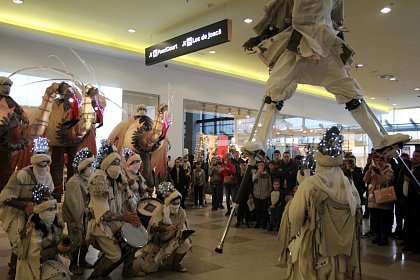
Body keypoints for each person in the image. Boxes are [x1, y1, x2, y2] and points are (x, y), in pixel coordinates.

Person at [242, 0, 409, 156]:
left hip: (325, 44)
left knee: (349, 89)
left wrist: (341, 49)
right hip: (297, 44)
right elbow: (279, 17)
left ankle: (378, 139)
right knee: (276, 88)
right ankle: (261, 142)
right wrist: (260, 38)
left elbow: (336, 21)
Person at [278, 126, 360, 279]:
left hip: (315, 246)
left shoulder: (311, 184)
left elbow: (295, 216)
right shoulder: (348, 183)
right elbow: (356, 210)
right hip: (342, 249)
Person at [86, 141, 144, 279]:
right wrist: (124, 218)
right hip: (100, 226)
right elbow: (104, 215)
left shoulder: (119, 180)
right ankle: (96, 275)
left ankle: (127, 270)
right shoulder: (99, 181)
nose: (117, 167)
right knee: (115, 254)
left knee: (135, 239)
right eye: (113, 164)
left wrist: (133, 217)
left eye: (118, 164)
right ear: (106, 165)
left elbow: (129, 200)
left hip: (115, 222)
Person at [0, 137, 54, 280]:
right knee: (18, 244)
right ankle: (13, 272)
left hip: (38, 215)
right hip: (17, 213)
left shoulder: (48, 177)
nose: (43, 167)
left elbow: (48, 195)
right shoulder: (22, 175)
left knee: (35, 244)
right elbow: (5, 197)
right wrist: (25, 207)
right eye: (40, 164)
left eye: (45, 164)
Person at [16, 186, 71, 280]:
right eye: (49, 209)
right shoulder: (33, 229)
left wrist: (67, 242)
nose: (53, 212)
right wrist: (56, 249)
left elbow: (59, 237)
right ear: (40, 210)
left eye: (54, 209)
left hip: (50, 260)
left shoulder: (54, 224)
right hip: (35, 264)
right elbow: (35, 255)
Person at [134, 189, 192, 274]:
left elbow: (182, 227)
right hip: (158, 243)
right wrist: (165, 228)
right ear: (169, 203)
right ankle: (148, 255)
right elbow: (153, 226)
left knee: (186, 243)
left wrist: (182, 236)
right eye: (174, 203)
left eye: (178, 203)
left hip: (173, 241)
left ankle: (175, 263)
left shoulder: (181, 212)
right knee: (147, 269)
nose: (176, 206)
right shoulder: (161, 210)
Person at [62, 147, 95, 274]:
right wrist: (78, 217)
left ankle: (82, 261)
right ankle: (73, 264)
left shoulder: (88, 180)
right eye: (89, 166)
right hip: (76, 217)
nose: (91, 169)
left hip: (87, 216)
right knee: (76, 240)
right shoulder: (73, 182)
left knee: (87, 239)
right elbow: (72, 203)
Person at [363, 154, 394, 246]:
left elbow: (385, 181)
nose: (378, 162)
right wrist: (369, 171)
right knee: (375, 220)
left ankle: (384, 237)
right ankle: (377, 236)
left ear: (384, 161)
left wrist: (379, 173)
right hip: (373, 199)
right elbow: (365, 180)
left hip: (383, 197)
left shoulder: (389, 170)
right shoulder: (373, 169)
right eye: (376, 161)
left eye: (380, 160)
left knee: (383, 220)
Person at [403, 150, 420, 253]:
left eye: (417, 156)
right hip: (408, 200)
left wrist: (411, 181)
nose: (414, 158)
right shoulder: (410, 168)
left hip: (416, 202)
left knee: (417, 224)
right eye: (414, 156)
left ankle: (416, 246)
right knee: (409, 223)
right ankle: (409, 243)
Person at [252, 161, 272, 228]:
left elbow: (269, 185)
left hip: (265, 195)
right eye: (259, 165)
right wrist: (259, 172)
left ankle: (264, 223)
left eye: (262, 165)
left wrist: (269, 193)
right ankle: (258, 222)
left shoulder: (267, 175)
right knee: (257, 209)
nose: (261, 166)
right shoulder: (255, 173)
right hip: (256, 194)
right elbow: (254, 179)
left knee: (264, 210)